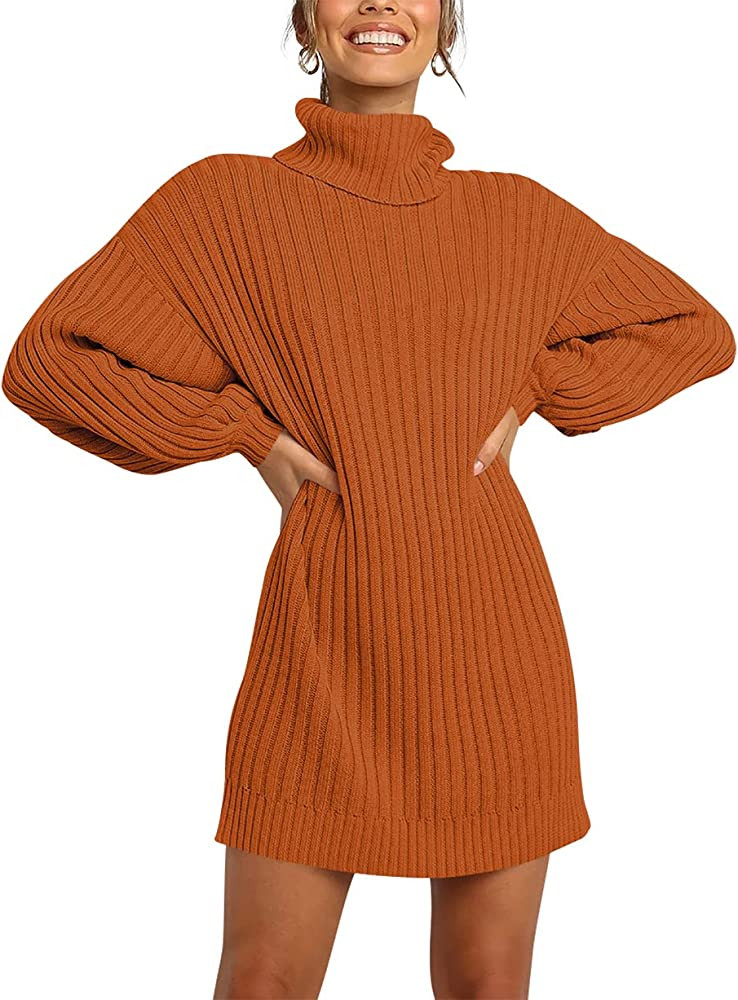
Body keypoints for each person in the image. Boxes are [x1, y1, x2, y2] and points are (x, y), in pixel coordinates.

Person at [3, 2, 734, 998]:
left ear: (445, 24)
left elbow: (695, 329)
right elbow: (49, 362)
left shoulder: (517, 217)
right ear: (307, 20)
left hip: (493, 649)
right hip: (321, 644)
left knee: (486, 982)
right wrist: (244, 433)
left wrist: (533, 392)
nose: (382, 3)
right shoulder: (224, 206)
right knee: (264, 978)